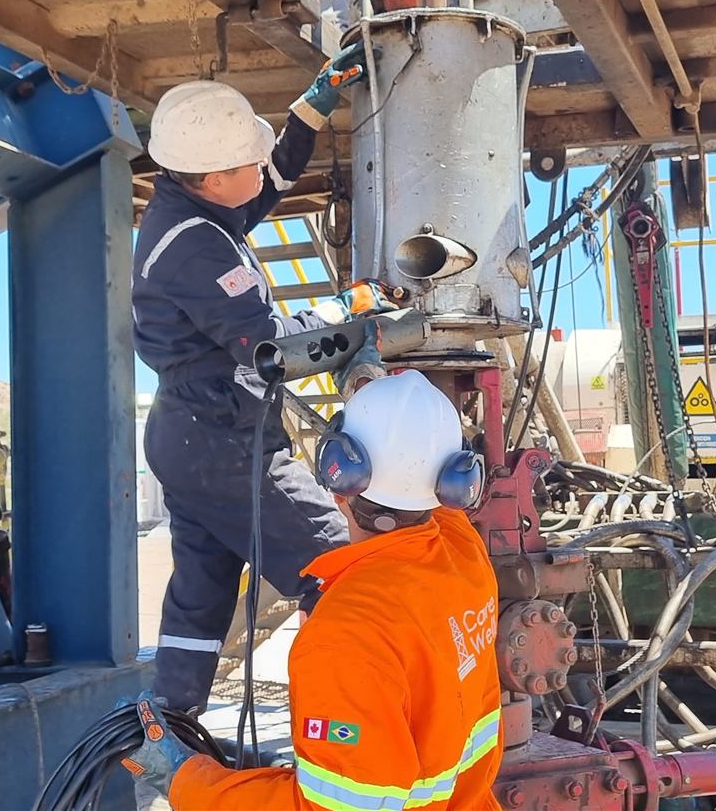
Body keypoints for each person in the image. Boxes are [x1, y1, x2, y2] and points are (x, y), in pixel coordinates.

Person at [132, 45, 393, 714]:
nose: (262, 164)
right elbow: (272, 348)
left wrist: (318, 99)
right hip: (221, 440)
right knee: (339, 571)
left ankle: (171, 725)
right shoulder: (192, 245)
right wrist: (348, 307)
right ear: (212, 178)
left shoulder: (200, 203)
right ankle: (349, 721)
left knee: (203, 587)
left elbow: (273, 171)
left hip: (190, 433)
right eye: (246, 159)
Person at [122, 370, 504, 810]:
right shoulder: (462, 553)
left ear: (337, 473)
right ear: (452, 482)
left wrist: (184, 781)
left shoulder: (344, 636)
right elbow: (422, 490)